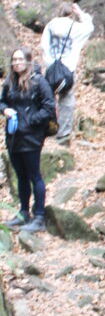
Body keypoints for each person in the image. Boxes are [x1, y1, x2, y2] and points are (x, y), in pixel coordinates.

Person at [0, 47, 55, 232]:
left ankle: (39, 216)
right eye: (14, 59)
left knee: (34, 175)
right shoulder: (10, 82)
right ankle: (24, 213)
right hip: (13, 136)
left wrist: (29, 121)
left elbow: (49, 107)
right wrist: (5, 110)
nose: (16, 63)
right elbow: (2, 101)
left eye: (19, 59)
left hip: (31, 137)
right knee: (21, 176)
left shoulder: (39, 81)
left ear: (28, 61)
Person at [40, 2, 94, 144]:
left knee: (48, 98)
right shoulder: (75, 27)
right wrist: (80, 13)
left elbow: (44, 46)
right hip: (67, 70)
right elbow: (89, 28)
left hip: (51, 69)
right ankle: (63, 132)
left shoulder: (50, 26)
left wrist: (49, 62)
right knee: (67, 100)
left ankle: (47, 129)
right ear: (71, 13)